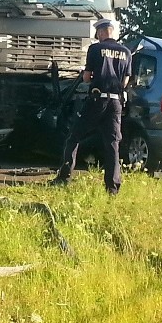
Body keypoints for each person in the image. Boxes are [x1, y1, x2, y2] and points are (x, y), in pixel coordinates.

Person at [49, 18, 131, 195]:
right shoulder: (126, 52)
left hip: (96, 100)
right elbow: (125, 81)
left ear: (101, 33)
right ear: (112, 32)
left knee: (74, 136)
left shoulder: (95, 49)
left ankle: (64, 177)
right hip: (116, 102)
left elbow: (86, 77)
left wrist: (95, 79)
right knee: (112, 144)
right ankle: (112, 187)